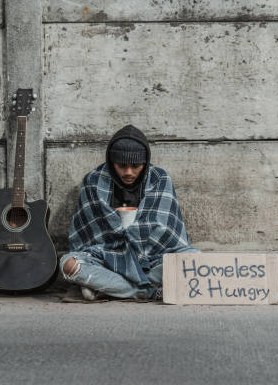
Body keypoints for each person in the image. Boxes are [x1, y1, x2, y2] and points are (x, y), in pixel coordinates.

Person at [60, 124, 199, 301]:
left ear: (145, 162)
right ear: (112, 163)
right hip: (107, 257)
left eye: (136, 166)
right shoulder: (93, 181)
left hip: (151, 258)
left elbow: (167, 229)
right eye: (121, 166)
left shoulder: (159, 179)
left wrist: (137, 243)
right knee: (68, 264)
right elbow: (87, 238)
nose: (128, 172)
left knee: (193, 258)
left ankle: (109, 288)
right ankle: (147, 292)